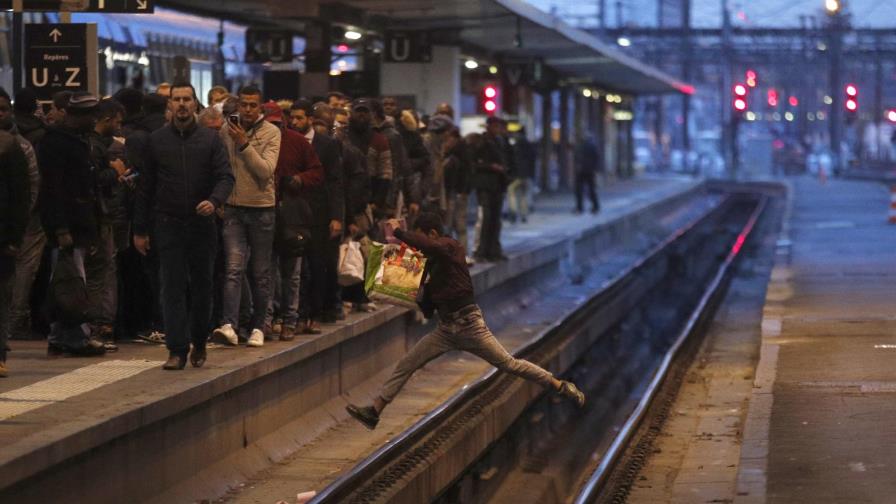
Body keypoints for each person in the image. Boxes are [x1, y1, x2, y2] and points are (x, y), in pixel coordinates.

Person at [345, 212, 585, 429]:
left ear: (432, 234)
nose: (419, 247)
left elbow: (431, 247)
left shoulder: (452, 248)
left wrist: (398, 233)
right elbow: (427, 308)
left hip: (470, 326)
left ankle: (559, 385)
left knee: (510, 364)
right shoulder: (429, 265)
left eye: (421, 240)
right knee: (407, 364)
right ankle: (374, 411)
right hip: (446, 331)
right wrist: (402, 288)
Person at [133, 81, 234, 370]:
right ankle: (176, 349)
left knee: (202, 287)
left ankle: (199, 341)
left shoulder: (210, 140)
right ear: (169, 105)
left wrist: (214, 201)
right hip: (168, 223)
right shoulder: (157, 141)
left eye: (186, 99)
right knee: (172, 287)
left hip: (202, 225)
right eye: (176, 99)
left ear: (194, 103)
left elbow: (225, 176)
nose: (181, 104)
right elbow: (146, 187)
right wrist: (140, 229)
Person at [38, 92, 107, 356]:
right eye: (91, 116)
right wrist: (61, 228)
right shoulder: (56, 143)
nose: (94, 121)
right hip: (67, 224)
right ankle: (78, 336)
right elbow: (52, 190)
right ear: (79, 116)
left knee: (64, 281)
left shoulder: (76, 140)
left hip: (78, 222)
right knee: (73, 280)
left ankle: (59, 336)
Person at [213, 85, 281, 348]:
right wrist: (218, 197)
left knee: (261, 273)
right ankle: (229, 324)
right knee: (233, 269)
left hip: (262, 210)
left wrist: (244, 144)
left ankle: (257, 327)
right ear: (238, 106)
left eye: (253, 105)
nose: (249, 110)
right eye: (244, 105)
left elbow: (266, 171)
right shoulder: (225, 132)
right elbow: (220, 167)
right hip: (232, 209)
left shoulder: (271, 133)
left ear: (261, 107)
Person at [264, 101, 324, 340]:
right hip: (264, 213)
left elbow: (318, 172)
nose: (274, 129)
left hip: (292, 217)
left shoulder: (297, 142)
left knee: (291, 273)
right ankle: (266, 320)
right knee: (265, 273)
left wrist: (299, 180)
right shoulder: (255, 141)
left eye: (277, 124)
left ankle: (289, 319)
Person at [291, 99, 345, 330]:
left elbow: (335, 182)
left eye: (299, 118)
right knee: (295, 267)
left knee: (317, 264)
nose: (295, 122)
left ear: (310, 120)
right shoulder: (288, 141)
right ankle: (298, 314)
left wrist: (336, 216)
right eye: (292, 118)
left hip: (319, 213)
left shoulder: (327, 144)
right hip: (293, 212)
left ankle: (315, 311)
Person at [1, 89, 45, 340]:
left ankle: (8, 333)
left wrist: (17, 226)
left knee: (8, 284)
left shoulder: (19, 146)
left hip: (11, 227)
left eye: (3, 110)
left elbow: (29, 187)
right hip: (18, 224)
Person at [87, 99, 129, 345]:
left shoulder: (97, 145)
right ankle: (99, 325)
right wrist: (116, 172)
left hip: (103, 215)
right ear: (107, 119)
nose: (120, 127)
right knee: (101, 273)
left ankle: (97, 324)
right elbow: (93, 180)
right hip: (99, 216)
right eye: (118, 121)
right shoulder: (97, 147)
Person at [0, 130, 31, 377]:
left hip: (2, 238)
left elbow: (21, 195)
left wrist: (14, 237)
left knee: (1, 296)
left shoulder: (8, 145)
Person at [472, 117, 509, 262]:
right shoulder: (480, 141)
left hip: (498, 185)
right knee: (486, 218)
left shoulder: (500, 142)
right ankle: (481, 251)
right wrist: (491, 166)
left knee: (495, 219)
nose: (497, 129)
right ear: (488, 126)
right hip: (485, 184)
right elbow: (474, 163)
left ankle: (494, 250)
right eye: (495, 126)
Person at [507, 126, 536, 223]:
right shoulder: (529, 145)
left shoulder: (515, 145)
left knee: (511, 192)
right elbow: (533, 160)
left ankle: (513, 213)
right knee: (524, 195)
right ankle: (524, 215)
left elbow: (513, 160)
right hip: (526, 174)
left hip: (517, 174)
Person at [574, 133, 601, 214]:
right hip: (590, 171)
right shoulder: (593, 147)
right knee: (591, 189)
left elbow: (577, 158)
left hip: (582, 170)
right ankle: (595, 206)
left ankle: (580, 207)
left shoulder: (581, 146)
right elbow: (597, 158)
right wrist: (595, 169)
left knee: (579, 189)